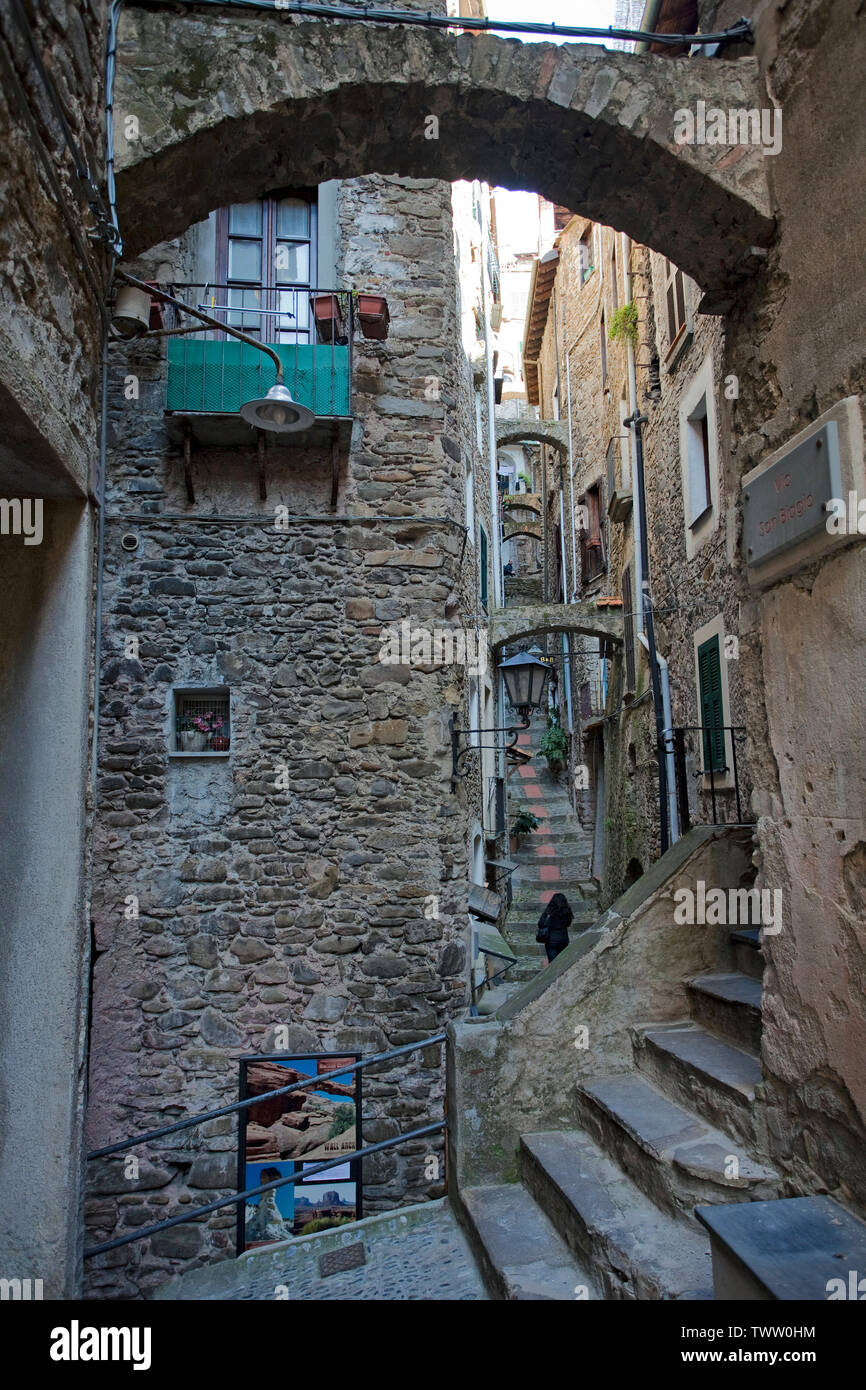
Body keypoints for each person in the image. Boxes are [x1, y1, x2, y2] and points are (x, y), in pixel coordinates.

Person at [536, 891, 573, 963]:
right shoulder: (567, 911)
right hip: (563, 940)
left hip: (551, 941)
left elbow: (540, 923)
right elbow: (568, 923)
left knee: (553, 965)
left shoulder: (549, 911)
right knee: (562, 963)